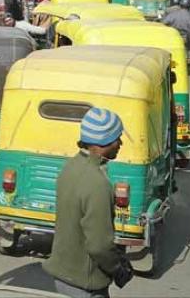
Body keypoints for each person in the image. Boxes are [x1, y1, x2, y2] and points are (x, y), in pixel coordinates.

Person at [43, 108, 133, 297]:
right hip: (85, 284)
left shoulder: (71, 167)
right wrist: (117, 268)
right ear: (104, 141)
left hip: (63, 276)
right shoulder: (98, 183)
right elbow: (99, 245)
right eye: (117, 138)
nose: (120, 144)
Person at [163, 0, 190, 66]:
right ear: (189, 6)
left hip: (173, 37)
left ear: (180, 5)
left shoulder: (173, 14)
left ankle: (172, 64)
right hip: (186, 38)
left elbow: (164, 23)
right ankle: (189, 59)